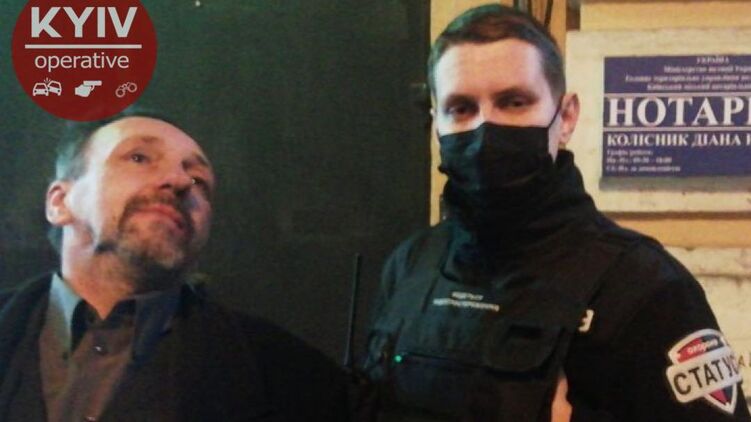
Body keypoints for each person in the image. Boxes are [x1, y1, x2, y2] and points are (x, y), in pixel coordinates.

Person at [361, 4, 750, 422]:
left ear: (565, 117)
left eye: (513, 102)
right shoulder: (409, 265)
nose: (484, 129)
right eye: (461, 108)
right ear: (435, 122)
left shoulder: (647, 288)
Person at [0, 111, 349, 421]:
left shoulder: (295, 380)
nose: (181, 182)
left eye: (199, 181)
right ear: (60, 202)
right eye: (139, 157)